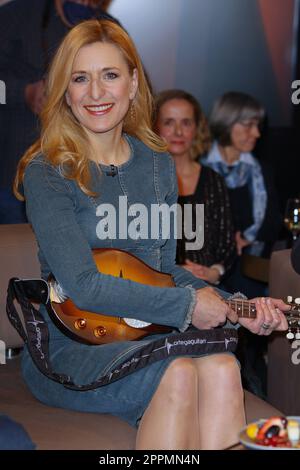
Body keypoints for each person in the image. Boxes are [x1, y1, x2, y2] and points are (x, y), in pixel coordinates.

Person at [13, 19, 289, 450]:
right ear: (65, 91)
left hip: (145, 334)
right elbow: (83, 287)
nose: (96, 93)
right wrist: (188, 305)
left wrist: (238, 305)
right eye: (80, 78)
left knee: (223, 368)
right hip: (72, 345)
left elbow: (162, 272)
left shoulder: (157, 163)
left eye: (110, 75)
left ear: (134, 82)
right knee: (178, 374)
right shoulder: (48, 172)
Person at [0, 0, 119, 224]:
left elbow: (132, 92)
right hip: (13, 180)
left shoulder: (109, 28)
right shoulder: (14, 16)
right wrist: (23, 93)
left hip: (84, 183)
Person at [202, 91, 282, 398]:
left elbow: (272, 223)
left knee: (249, 284)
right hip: (210, 265)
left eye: (257, 125)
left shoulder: (261, 170)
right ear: (227, 123)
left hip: (249, 266)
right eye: (248, 125)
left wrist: (244, 238)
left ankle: (248, 379)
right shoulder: (198, 169)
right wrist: (224, 242)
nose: (256, 133)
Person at [154, 89, 236, 286]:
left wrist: (214, 273)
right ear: (154, 127)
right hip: (157, 287)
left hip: (207, 286)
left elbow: (227, 246)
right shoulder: (140, 180)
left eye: (186, 122)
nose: (178, 132)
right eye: (169, 122)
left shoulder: (213, 181)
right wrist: (172, 271)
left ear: (196, 129)